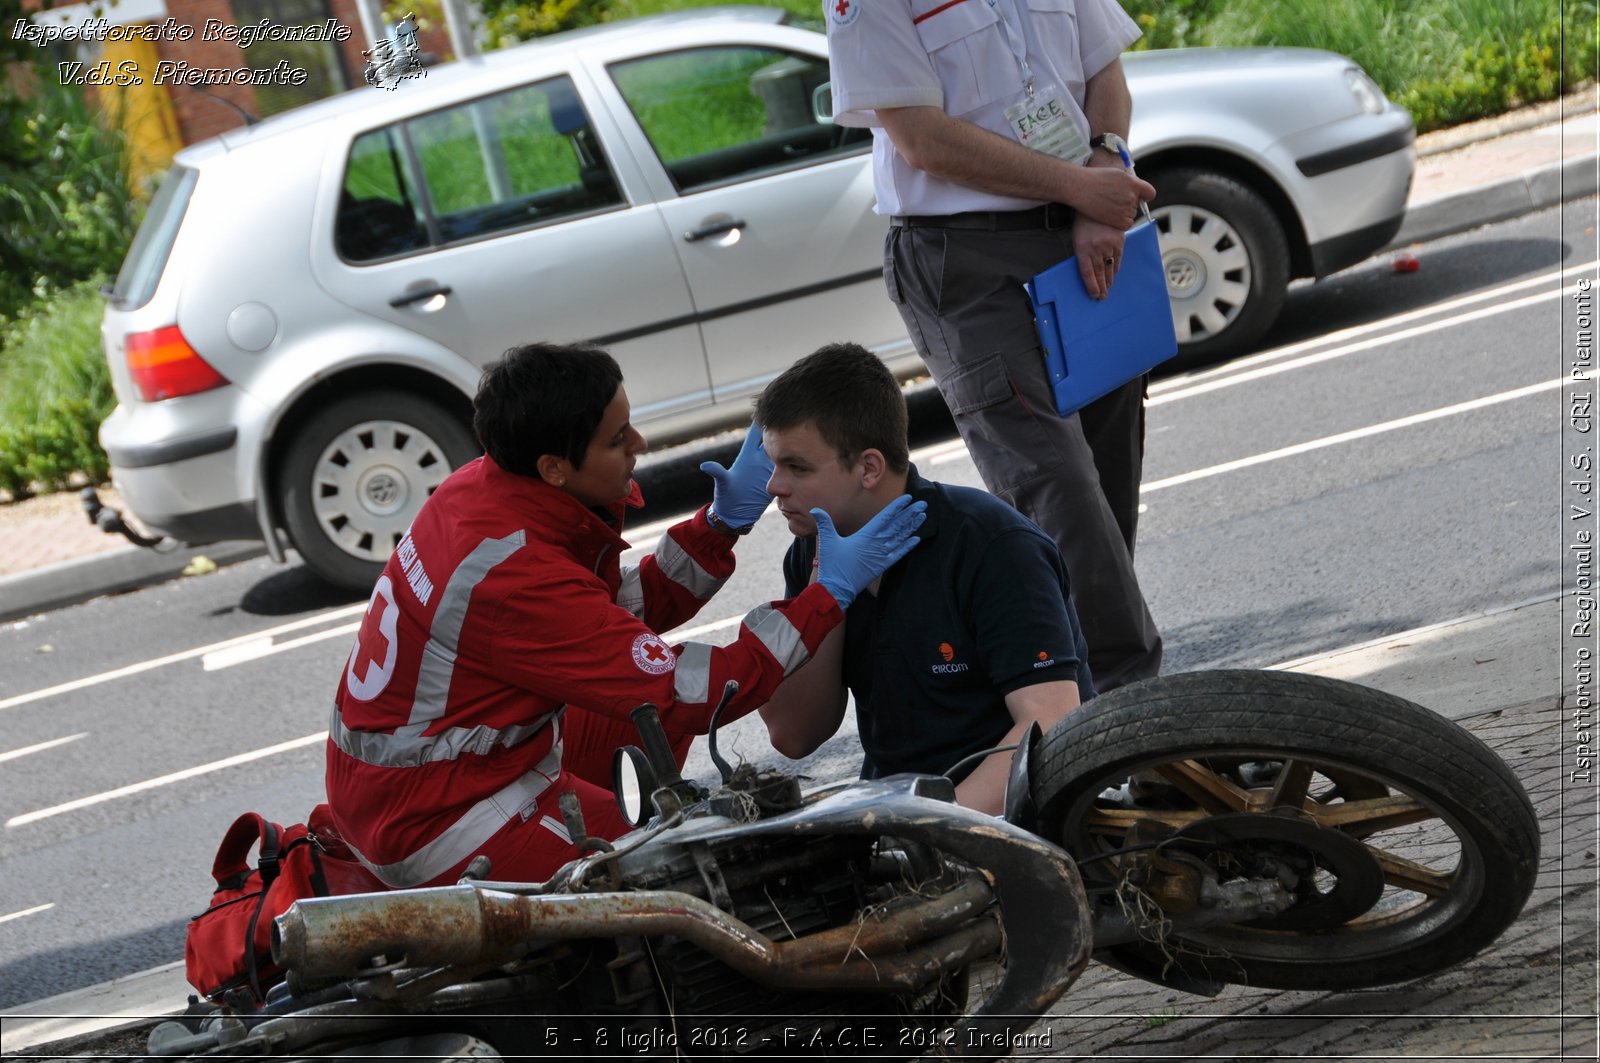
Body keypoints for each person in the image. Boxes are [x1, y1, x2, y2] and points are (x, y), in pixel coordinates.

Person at [325, 341, 925, 887]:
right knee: (683, 879)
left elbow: (602, 620)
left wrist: (719, 528)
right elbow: (690, 690)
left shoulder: (480, 494)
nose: (639, 443)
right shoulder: (513, 576)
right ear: (554, 468)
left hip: (420, 784)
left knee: (656, 753)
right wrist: (826, 598)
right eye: (617, 440)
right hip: (436, 820)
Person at [823, 0, 1162, 691]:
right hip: (963, 258)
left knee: (1104, 482)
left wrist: (1107, 164)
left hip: (1075, 240)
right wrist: (1082, 190)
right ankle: (1133, 708)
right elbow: (922, 140)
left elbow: (1105, 72)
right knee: (1056, 485)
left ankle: (1064, 698)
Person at [757, 343, 1093, 815]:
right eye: (772, 464)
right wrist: (824, 596)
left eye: (797, 467)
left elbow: (1051, 719)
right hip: (897, 814)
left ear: (869, 467)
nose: (774, 486)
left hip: (1013, 817)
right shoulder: (811, 553)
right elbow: (794, 735)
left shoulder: (992, 546)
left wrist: (932, 830)